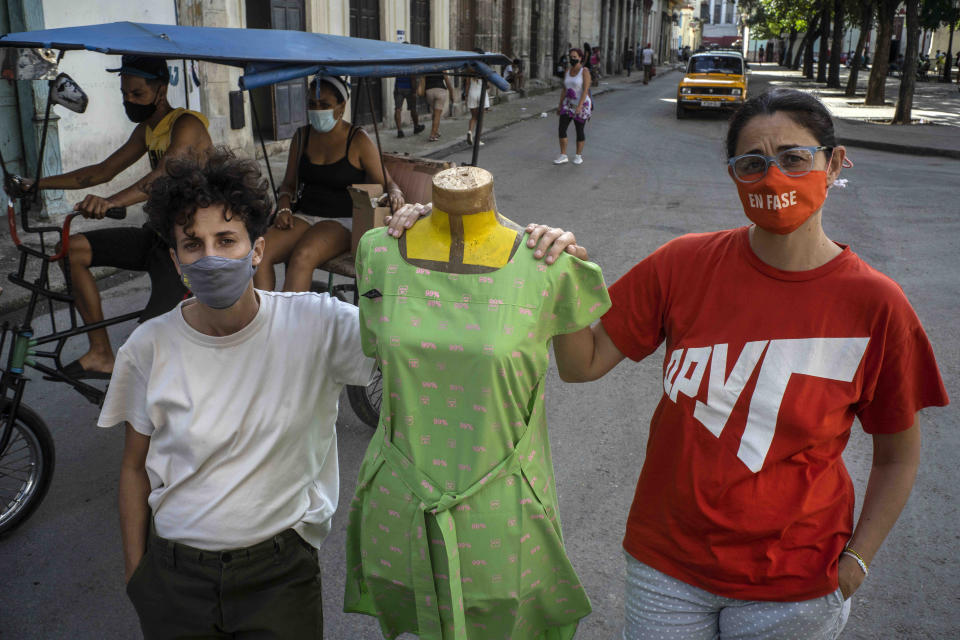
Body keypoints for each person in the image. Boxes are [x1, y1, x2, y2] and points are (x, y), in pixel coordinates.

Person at [545, 88, 949, 639]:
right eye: (753, 163)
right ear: (734, 174)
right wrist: (560, 278)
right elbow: (582, 364)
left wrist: (857, 561)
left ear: (833, 163)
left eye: (794, 158)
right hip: (667, 568)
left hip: (795, 586)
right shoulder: (682, 265)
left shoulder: (877, 306)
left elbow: (898, 458)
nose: (774, 177)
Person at [98, 149, 378, 638]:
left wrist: (424, 241)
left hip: (279, 576)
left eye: (226, 239)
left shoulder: (317, 324)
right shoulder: (148, 346)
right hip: (174, 576)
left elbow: (427, 345)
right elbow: (133, 467)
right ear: (175, 258)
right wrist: (137, 577)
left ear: (256, 250)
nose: (209, 257)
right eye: (192, 243)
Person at [343, 166, 610, 639]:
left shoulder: (549, 263)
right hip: (400, 499)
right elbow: (376, 351)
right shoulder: (376, 250)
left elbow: (580, 366)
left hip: (503, 513)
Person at [3, 55, 211, 378]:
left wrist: (110, 201)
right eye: (124, 93)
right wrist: (36, 183)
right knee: (73, 249)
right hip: (159, 236)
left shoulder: (187, 125)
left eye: (137, 94)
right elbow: (102, 171)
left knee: (150, 347)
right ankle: (101, 352)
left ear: (161, 90)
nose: (129, 100)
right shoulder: (147, 129)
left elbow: (163, 175)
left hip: (191, 248)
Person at [253, 75, 404, 292]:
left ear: (341, 107)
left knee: (302, 257)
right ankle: (265, 318)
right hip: (304, 214)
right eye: (312, 105)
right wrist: (284, 207)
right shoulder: (301, 136)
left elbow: (388, 183)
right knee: (260, 252)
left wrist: (396, 193)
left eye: (324, 105)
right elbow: (288, 184)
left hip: (343, 220)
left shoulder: (358, 139)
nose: (317, 110)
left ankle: (290, 324)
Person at [554, 48, 593, 166]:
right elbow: (564, 89)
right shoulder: (567, 71)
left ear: (580, 58)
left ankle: (578, 156)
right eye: (571, 56)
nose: (573, 59)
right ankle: (563, 155)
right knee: (562, 129)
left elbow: (586, 90)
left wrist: (580, 106)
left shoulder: (584, 71)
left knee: (579, 130)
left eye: (575, 57)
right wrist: (560, 104)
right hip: (568, 104)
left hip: (582, 104)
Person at [465, 49, 492, 146]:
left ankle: (469, 132)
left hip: (472, 93)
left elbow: (467, 84)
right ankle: (477, 140)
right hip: (481, 94)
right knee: (480, 119)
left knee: (473, 117)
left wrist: (466, 97)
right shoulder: (484, 68)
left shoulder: (469, 68)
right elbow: (488, 85)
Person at [422, 70, 456, 142]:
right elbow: (447, 80)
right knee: (437, 115)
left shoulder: (427, 67)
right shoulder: (442, 66)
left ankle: (436, 131)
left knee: (434, 113)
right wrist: (451, 93)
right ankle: (432, 135)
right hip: (440, 91)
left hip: (429, 91)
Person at [393, 69, 425, 138]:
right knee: (413, 109)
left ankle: (399, 131)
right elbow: (413, 77)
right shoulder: (409, 61)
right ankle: (416, 127)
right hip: (409, 88)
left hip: (398, 87)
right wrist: (414, 91)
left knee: (398, 109)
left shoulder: (397, 62)